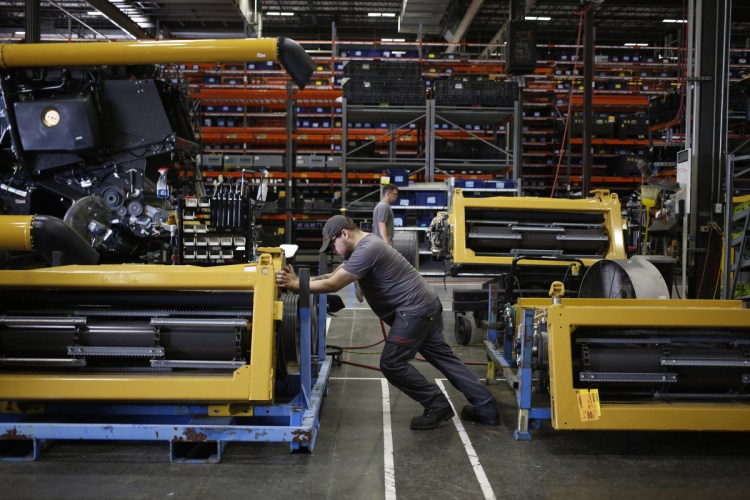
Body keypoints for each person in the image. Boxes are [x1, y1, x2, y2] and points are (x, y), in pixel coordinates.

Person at [276, 215, 499, 430]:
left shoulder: (368, 249)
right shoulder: (366, 245)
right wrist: (299, 281)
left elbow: (333, 285)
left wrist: (295, 285)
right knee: (444, 358)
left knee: (392, 364)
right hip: (426, 305)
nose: (333, 251)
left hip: (414, 311)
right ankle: (486, 408)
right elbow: (331, 276)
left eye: (333, 245)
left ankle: (437, 404)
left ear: (344, 234)